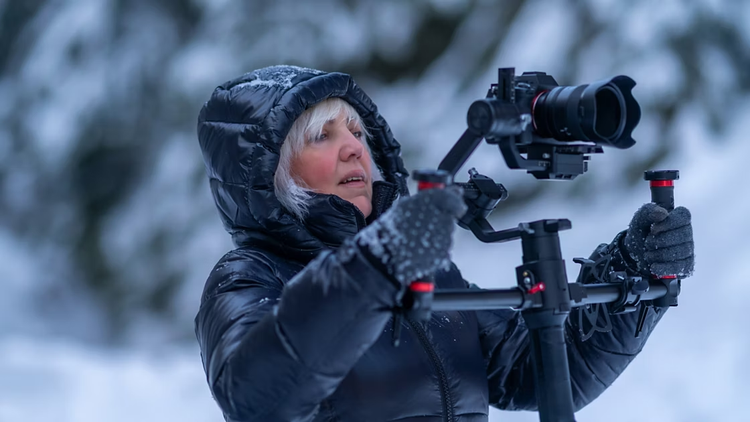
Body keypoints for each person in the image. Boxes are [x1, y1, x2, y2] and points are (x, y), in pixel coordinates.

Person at [194, 65, 694, 422]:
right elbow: (259, 398)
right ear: (267, 174)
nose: (352, 146)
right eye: (321, 136)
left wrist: (631, 275)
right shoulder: (249, 277)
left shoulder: (425, 272)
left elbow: (537, 369)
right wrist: (375, 267)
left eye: (356, 130)